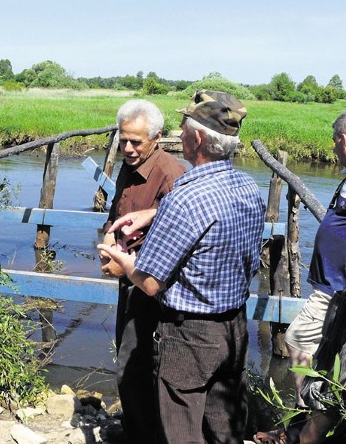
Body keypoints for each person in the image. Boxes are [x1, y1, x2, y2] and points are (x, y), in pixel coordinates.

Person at [99, 90, 265, 444]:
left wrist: (124, 264)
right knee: (225, 425)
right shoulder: (248, 186)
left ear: (198, 138)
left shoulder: (185, 196)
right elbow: (210, 217)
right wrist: (154, 212)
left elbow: (149, 283)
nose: (181, 133)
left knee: (181, 429)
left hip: (191, 334)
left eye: (184, 128)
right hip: (234, 326)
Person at [255, 111, 346, 444]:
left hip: (339, 291)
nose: (333, 147)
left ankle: (304, 427)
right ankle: (301, 425)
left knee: (299, 341)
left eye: (333, 140)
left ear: (344, 139)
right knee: (323, 356)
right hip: (337, 288)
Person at [100, 99, 185, 443]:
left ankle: (146, 434)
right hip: (128, 276)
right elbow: (116, 211)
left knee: (140, 363)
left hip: (154, 284)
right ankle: (137, 428)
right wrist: (109, 239)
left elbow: (182, 236)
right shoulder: (126, 166)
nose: (128, 148)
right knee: (128, 356)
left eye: (136, 141)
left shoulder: (171, 174)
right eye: (123, 140)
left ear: (157, 138)